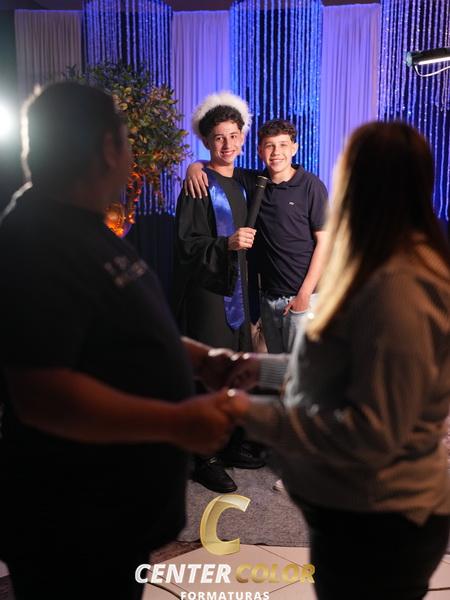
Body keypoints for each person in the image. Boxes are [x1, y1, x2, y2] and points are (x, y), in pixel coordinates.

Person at [0, 82, 247, 600]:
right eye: (128, 138)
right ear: (107, 148)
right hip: (74, 520)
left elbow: (122, 330)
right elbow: (44, 395)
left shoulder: (86, 227)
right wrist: (177, 422)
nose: (134, 153)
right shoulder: (35, 240)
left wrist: (202, 358)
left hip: (115, 513)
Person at [228, 121, 450, 600]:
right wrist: (256, 369)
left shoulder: (399, 285)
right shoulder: (379, 262)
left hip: (381, 519)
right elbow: (350, 376)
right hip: (360, 512)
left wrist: (245, 411)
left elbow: (373, 432)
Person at [173, 91, 264, 494]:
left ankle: (229, 444)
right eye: (218, 137)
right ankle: (204, 458)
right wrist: (225, 244)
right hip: (209, 293)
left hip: (239, 289)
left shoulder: (246, 181)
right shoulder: (198, 184)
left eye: (233, 136)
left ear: (243, 137)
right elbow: (186, 245)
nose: (226, 144)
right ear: (207, 141)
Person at [185, 118, 328, 355]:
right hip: (269, 300)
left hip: (304, 298)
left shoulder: (311, 186)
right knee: (278, 370)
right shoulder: (255, 183)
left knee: (303, 371)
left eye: (283, 145)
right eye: (270, 146)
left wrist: (304, 296)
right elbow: (218, 165)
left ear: (294, 148)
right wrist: (194, 167)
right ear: (260, 151)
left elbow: (324, 243)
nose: (276, 152)